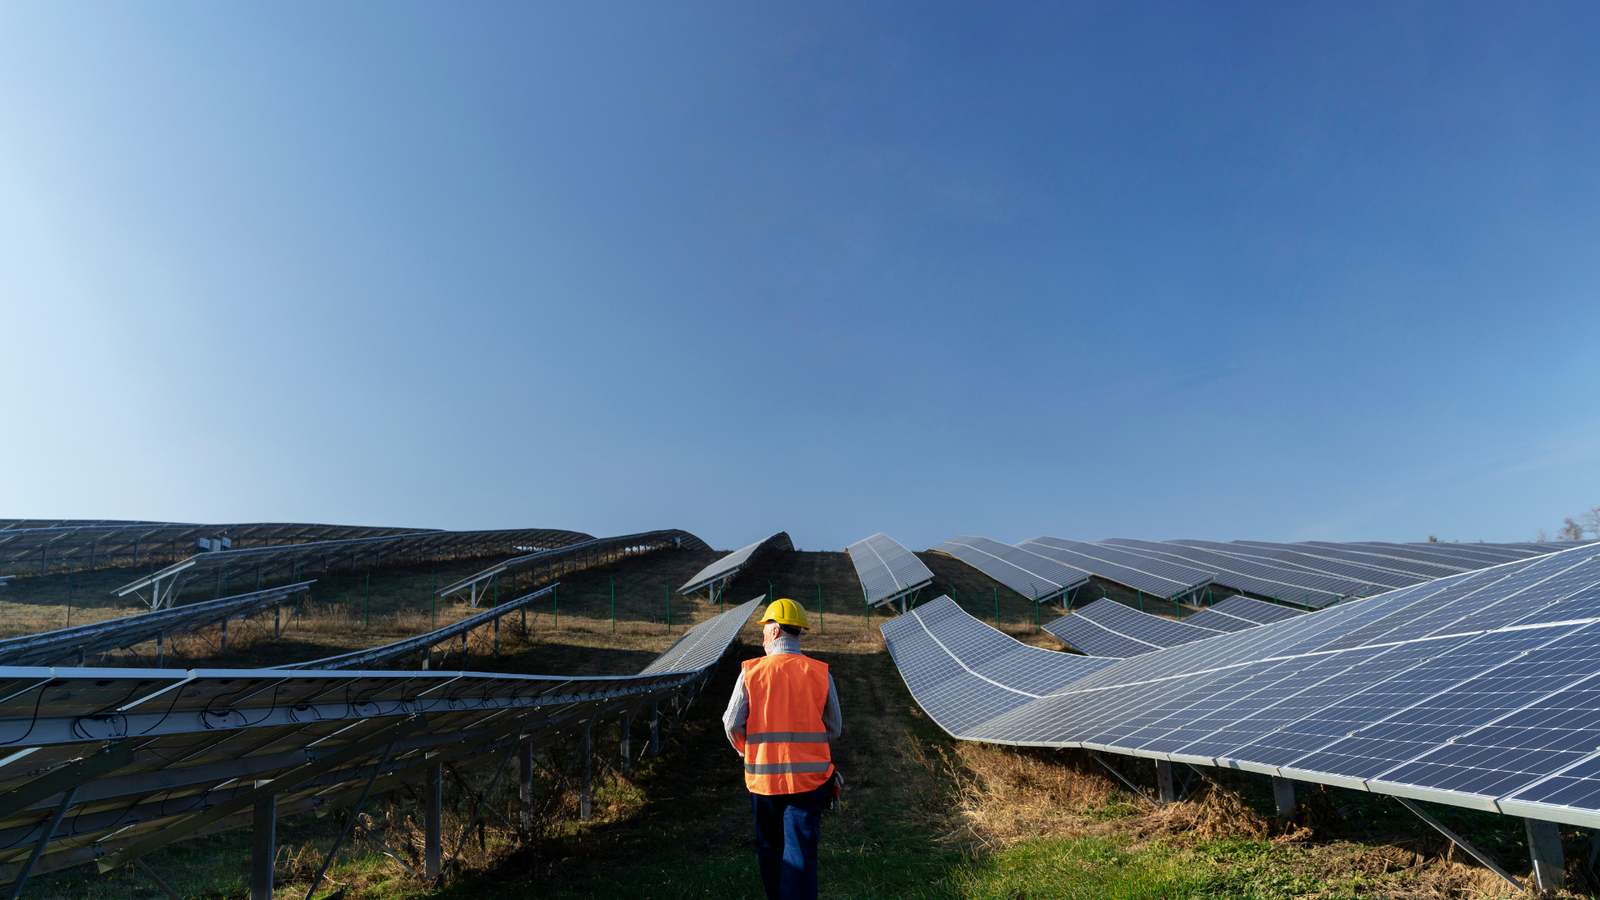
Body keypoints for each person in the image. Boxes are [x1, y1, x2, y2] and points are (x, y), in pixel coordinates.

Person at [723, 598, 842, 900]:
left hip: (763, 783)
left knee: (771, 850)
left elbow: (731, 724)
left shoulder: (751, 672)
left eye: (764, 630)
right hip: (809, 782)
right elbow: (834, 727)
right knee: (800, 855)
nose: (761, 636)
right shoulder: (819, 672)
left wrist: (746, 750)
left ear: (775, 632)